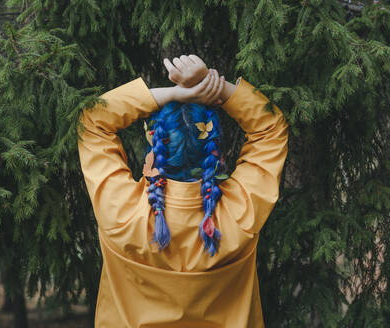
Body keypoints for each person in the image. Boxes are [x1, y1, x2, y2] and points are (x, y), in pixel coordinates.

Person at [77, 54, 289, 327]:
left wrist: (173, 93)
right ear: (216, 153)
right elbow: (271, 128)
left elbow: (93, 120)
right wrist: (216, 88)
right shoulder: (239, 216)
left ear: (154, 143)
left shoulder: (122, 215)